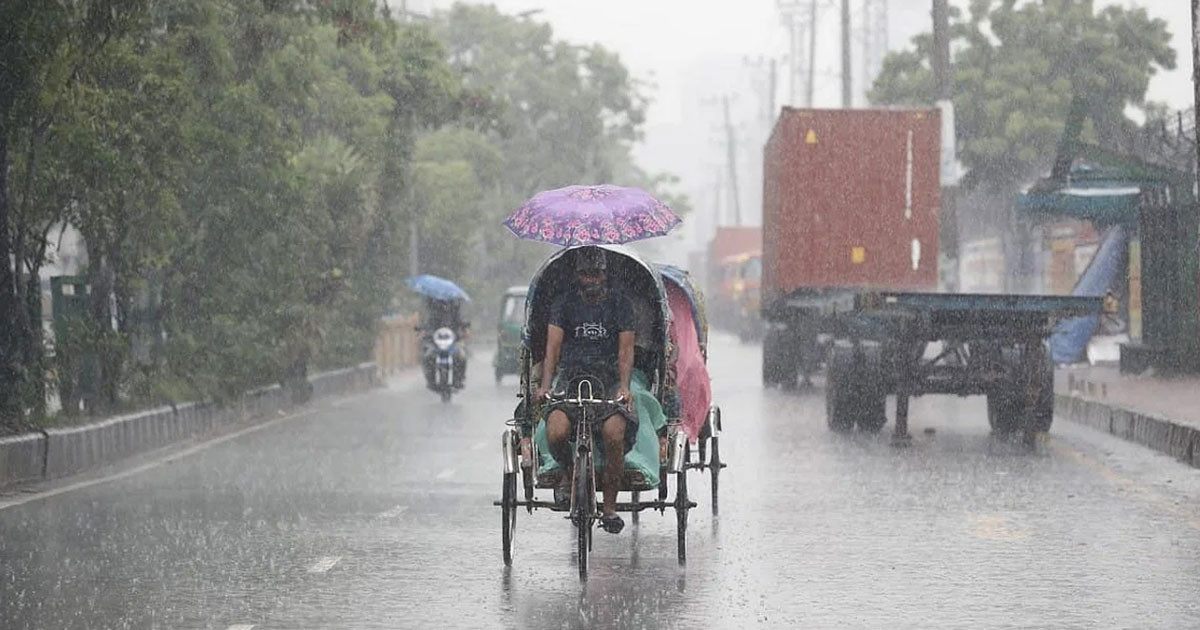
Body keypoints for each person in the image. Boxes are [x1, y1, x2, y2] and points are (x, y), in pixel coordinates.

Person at [534, 246, 637, 535]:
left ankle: (610, 507)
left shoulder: (621, 304)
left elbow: (626, 350)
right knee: (556, 432)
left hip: (609, 380)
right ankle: (569, 473)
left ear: (605, 274)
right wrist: (545, 386)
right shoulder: (563, 304)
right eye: (585, 274)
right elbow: (553, 347)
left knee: (614, 434)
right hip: (571, 379)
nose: (591, 280)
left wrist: (625, 387)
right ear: (577, 276)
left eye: (596, 273)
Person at [419, 297, 469, 388]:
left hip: (453, 340)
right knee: (427, 357)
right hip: (435, 341)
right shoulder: (432, 309)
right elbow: (427, 322)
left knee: (462, 357)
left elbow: (461, 320)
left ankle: (460, 378)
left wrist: (464, 328)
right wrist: (423, 330)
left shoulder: (455, 309)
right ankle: (430, 379)